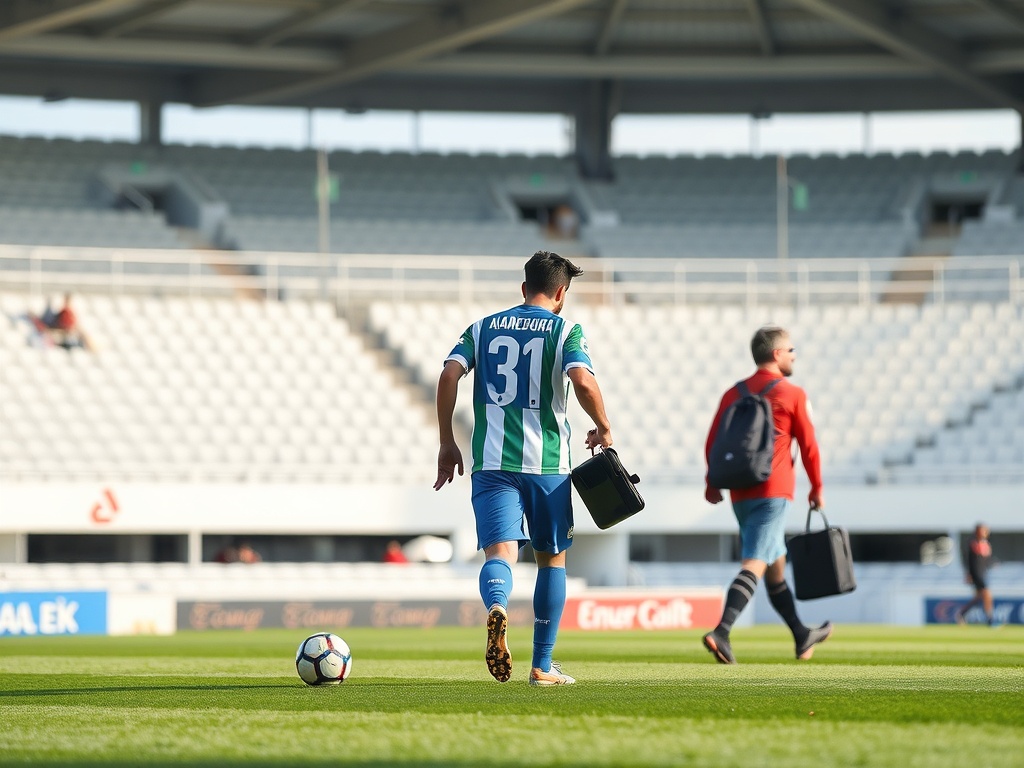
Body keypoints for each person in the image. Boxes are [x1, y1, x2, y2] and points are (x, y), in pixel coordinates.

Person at [434, 250, 612, 686]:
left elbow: (449, 375)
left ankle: (496, 606)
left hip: (491, 462)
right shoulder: (566, 329)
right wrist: (603, 427)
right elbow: (583, 381)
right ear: (561, 294)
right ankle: (542, 666)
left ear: (522, 288)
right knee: (552, 561)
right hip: (547, 465)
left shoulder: (482, 327)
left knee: (500, 554)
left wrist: (446, 441)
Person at [702, 325, 831, 664]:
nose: (794, 355)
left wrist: (712, 482)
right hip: (773, 490)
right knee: (755, 563)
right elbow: (809, 447)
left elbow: (713, 441)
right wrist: (817, 488)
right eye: (791, 350)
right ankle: (722, 631)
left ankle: (802, 635)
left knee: (775, 567)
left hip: (740, 493)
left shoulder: (734, 393)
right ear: (776, 354)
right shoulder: (792, 393)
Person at [955, 523, 998, 626]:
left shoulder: (985, 543)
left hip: (983, 573)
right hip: (976, 573)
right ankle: (990, 620)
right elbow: (969, 560)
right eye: (983, 530)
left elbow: (986, 561)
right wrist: (969, 574)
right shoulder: (973, 543)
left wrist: (993, 563)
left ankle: (962, 614)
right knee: (987, 594)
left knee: (979, 597)